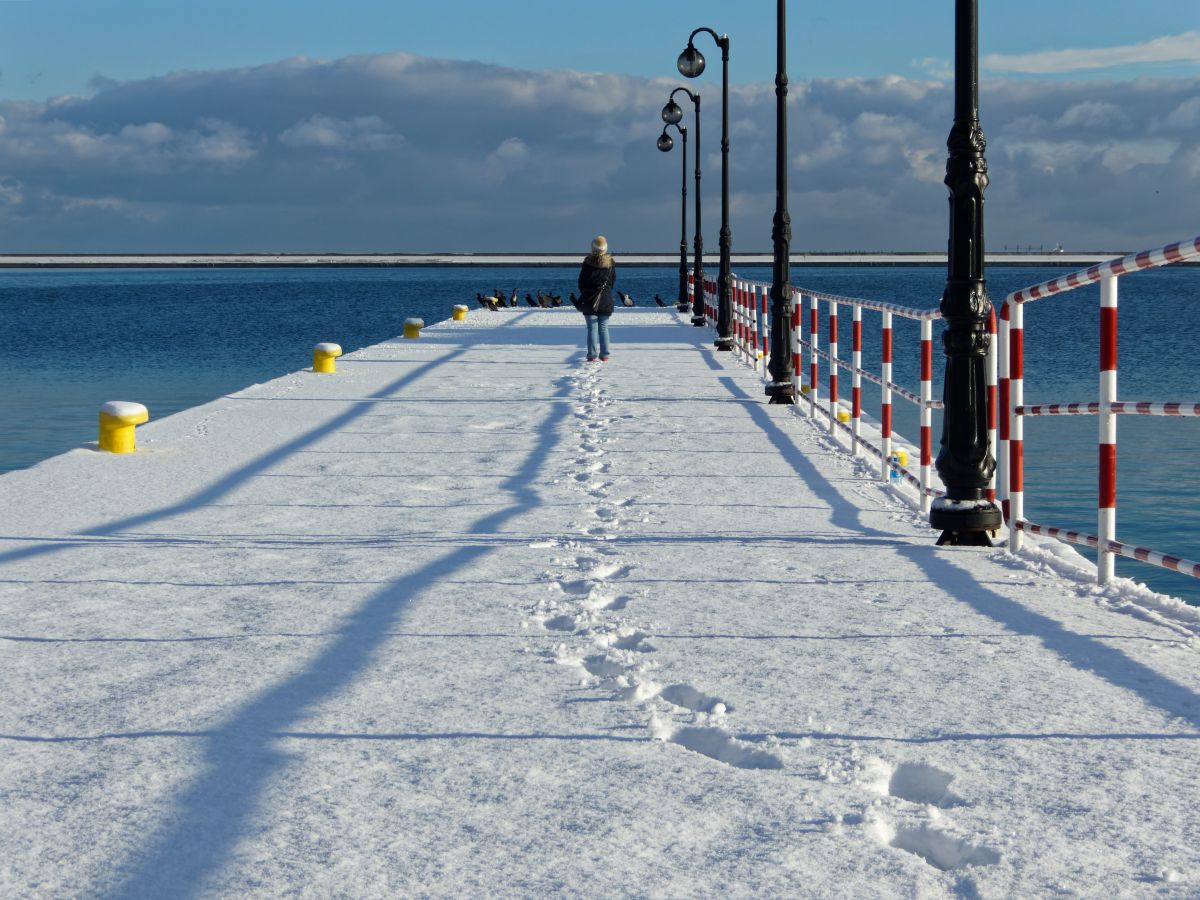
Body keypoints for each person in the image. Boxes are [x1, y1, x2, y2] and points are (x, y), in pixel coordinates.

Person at [574, 235, 616, 362]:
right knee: (603, 328)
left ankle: (592, 355)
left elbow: (581, 283)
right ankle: (605, 355)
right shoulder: (610, 264)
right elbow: (612, 283)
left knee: (592, 329)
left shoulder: (587, 263)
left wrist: (587, 293)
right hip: (605, 299)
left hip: (589, 300)